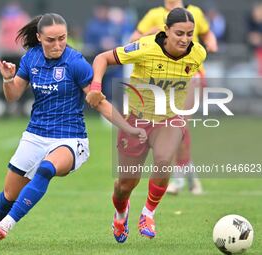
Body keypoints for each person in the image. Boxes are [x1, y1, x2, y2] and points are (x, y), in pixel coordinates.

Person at [0, 13, 147, 245]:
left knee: (47, 169)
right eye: (51, 40)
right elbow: (13, 96)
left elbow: (98, 101)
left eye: (62, 38)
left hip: (70, 137)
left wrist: (128, 128)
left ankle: (7, 224)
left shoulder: (75, 62)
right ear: (39, 37)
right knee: (8, 195)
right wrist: (8, 80)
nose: (58, 44)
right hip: (35, 134)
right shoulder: (31, 58)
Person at [86, 8, 206, 242]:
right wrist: (96, 87)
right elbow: (103, 58)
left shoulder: (198, 54)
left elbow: (193, 82)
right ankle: (121, 213)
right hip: (136, 120)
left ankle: (148, 213)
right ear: (166, 30)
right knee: (125, 185)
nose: (185, 39)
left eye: (190, 34)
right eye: (179, 33)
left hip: (169, 120)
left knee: (163, 160)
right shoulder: (145, 47)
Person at [129, 0, 218, 195]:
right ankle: (191, 176)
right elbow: (131, 41)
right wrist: (149, 33)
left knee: (178, 125)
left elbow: (207, 32)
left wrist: (211, 41)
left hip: (191, 77)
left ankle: (177, 178)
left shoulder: (194, 12)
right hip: (162, 81)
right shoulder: (154, 14)